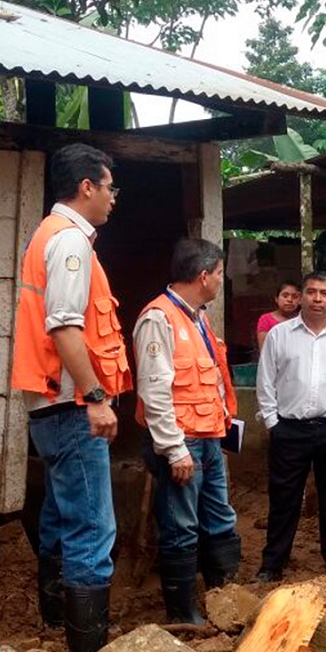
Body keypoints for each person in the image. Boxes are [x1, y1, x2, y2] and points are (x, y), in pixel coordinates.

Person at [11, 143, 130, 652]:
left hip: (49, 403)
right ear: (87, 187)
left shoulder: (47, 236)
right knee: (93, 526)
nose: (113, 199)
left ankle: (54, 621)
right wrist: (97, 398)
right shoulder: (72, 244)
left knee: (61, 515)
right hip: (70, 403)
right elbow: (64, 325)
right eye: (109, 188)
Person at [134, 238, 241, 624]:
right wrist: (173, 449)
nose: (219, 280)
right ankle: (184, 615)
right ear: (202, 276)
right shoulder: (158, 319)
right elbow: (154, 390)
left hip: (209, 436)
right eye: (217, 273)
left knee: (220, 517)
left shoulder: (199, 317)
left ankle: (225, 601)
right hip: (182, 442)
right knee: (181, 526)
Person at [255, 272, 326, 583]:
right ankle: (273, 562)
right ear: (301, 296)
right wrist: (273, 422)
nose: (317, 299)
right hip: (289, 429)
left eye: (324, 293)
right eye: (312, 292)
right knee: (284, 498)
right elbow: (265, 381)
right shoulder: (280, 335)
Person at [257, 280, 301, 351]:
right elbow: (264, 350)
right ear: (276, 299)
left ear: (300, 301)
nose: (289, 300)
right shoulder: (266, 319)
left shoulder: (302, 320)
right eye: (285, 296)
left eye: (294, 297)